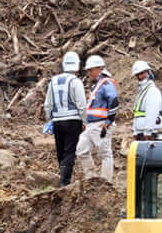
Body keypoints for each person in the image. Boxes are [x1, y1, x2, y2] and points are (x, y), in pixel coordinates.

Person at [44, 51, 87, 185]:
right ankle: (65, 181)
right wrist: (84, 121)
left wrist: (50, 120)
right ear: (77, 65)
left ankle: (62, 177)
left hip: (57, 121)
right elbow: (81, 104)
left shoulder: (53, 81)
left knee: (60, 150)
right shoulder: (76, 81)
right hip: (73, 120)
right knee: (69, 151)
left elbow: (47, 104)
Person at [76, 55, 118, 181]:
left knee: (105, 153)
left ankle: (106, 182)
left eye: (91, 70)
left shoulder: (106, 83)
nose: (89, 73)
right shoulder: (97, 85)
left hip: (101, 124)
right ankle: (92, 178)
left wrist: (109, 121)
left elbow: (114, 100)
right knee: (81, 150)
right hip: (91, 124)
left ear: (99, 68)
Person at [132, 59, 162, 139]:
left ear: (148, 72)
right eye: (137, 75)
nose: (139, 77)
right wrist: (135, 131)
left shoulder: (152, 91)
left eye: (142, 73)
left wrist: (148, 132)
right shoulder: (142, 92)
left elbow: (152, 113)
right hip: (141, 132)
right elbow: (137, 114)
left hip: (148, 134)